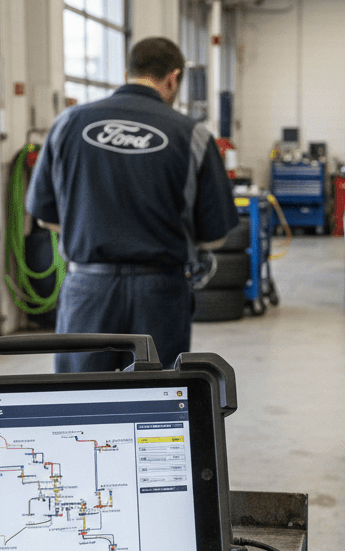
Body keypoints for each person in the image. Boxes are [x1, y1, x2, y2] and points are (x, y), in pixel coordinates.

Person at [25, 36, 239, 373]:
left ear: (127, 73)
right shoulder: (193, 135)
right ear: (173, 78)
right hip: (161, 291)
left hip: (88, 289)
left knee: (77, 400)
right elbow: (214, 237)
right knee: (155, 401)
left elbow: (45, 218)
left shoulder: (68, 123)